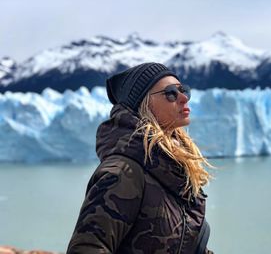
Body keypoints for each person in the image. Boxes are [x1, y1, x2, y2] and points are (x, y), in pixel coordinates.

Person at [67, 62, 213, 254]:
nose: (184, 98)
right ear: (143, 104)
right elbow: (87, 248)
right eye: (171, 93)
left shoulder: (174, 170)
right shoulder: (123, 172)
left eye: (183, 90)